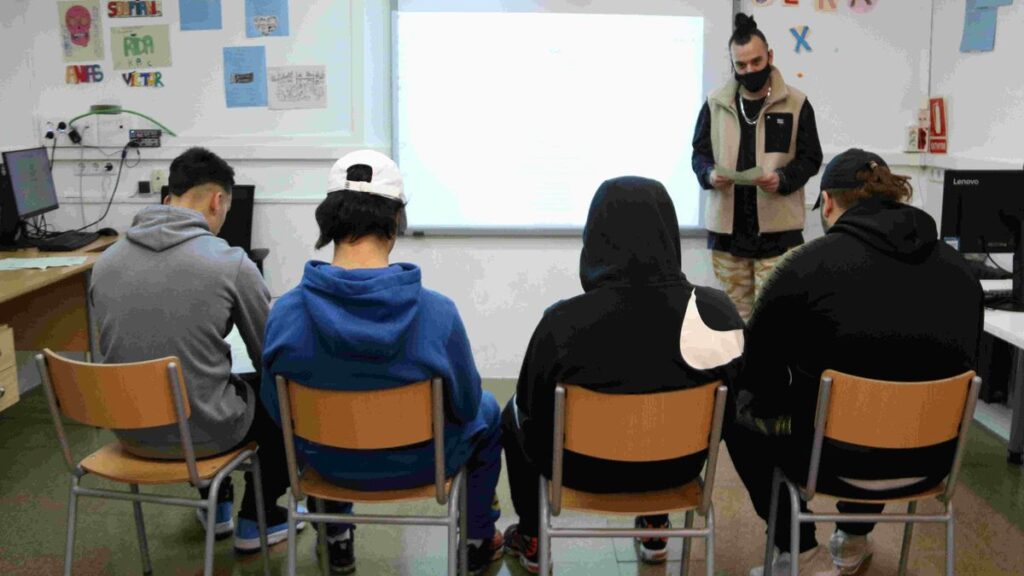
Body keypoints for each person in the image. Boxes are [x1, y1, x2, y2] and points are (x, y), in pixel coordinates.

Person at [728, 148, 984, 575]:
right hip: (931, 461)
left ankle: (799, 551)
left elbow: (755, 375)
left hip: (827, 462)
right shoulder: (961, 272)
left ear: (828, 203)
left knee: (736, 407)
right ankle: (852, 538)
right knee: (890, 397)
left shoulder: (805, 266)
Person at [260, 150, 503, 575]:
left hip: (328, 464)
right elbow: (465, 406)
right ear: (396, 222)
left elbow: (276, 410)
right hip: (424, 463)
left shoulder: (285, 313)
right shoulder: (438, 313)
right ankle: (478, 538)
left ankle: (336, 537)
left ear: (328, 221)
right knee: (489, 410)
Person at [501, 176, 744, 573]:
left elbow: (532, 415)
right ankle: (656, 525)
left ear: (595, 238)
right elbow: (735, 406)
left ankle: (531, 536)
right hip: (677, 469)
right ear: (669, 235)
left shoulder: (562, 324)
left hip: (581, 470)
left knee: (511, 414)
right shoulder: (717, 314)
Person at [90, 147, 300, 552]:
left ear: (168, 197)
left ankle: (215, 504)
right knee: (278, 395)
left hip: (128, 428)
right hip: (203, 432)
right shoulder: (231, 262)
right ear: (217, 201)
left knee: (190, 380)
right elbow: (271, 355)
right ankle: (257, 518)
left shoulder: (105, 261)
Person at [692, 12, 823, 321]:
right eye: (741, 65)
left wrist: (783, 179)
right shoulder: (715, 103)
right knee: (734, 319)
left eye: (756, 61)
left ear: (770, 57)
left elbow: (811, 158)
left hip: (779, 234)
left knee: (774, 318)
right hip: (728, 234)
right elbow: (699, 154)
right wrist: (709, 174)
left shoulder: (797, 103)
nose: (749, 70)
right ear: (733, 65)